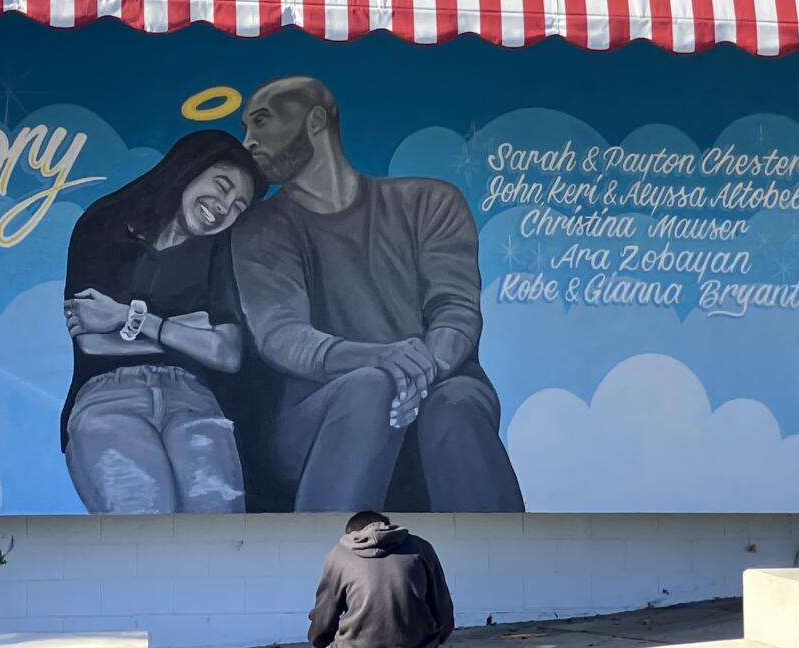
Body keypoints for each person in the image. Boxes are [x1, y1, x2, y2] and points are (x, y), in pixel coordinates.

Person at [231, 76, 524, 512]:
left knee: (457, 402)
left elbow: (455, 310)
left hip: (438, 395)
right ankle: (325, 570)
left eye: (261, 122)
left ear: (315, 122)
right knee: (370, 386)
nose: (248, 142)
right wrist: (381, 362)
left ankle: (508, 570)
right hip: (314, 416)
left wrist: (420, 373)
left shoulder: (431, 202)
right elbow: (281, 335)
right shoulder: (260, 228)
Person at [59, 130, 268, 514]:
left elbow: (227, 352)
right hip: (107, 397)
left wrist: (126, 317)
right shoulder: (103, 224)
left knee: (218, 526)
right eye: (221, 186)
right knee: (143, 517)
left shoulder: (222, 253)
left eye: (238, 206)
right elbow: (90, 340)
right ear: (189, 170)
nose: (224, 207)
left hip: (194, 400)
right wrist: (189, 332)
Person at [308, 511, 454, 648]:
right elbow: (442, 605)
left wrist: (320, 641)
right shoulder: (421, 548)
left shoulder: (340, 555)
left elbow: (325, 614)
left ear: (351, 534)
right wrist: (437, 639)